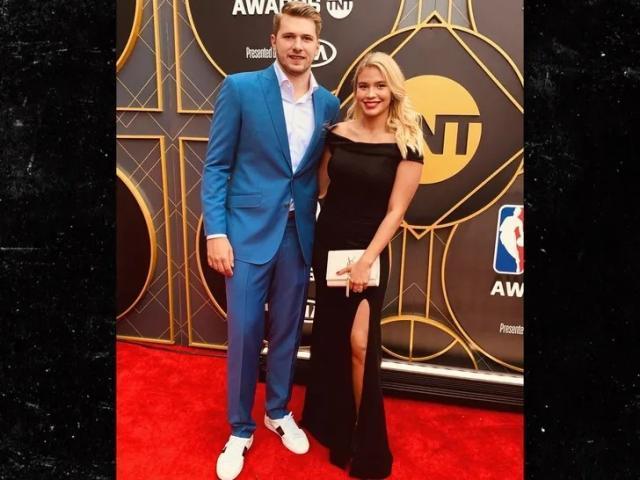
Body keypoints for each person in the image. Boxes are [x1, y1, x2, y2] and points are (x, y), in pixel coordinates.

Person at [200, 3, 340, 479]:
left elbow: (318, 172)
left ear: (318, 46)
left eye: (307, 38)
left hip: (298, 235)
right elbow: (217, 165)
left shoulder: (329, 104)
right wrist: (217, 232)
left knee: (287, 330)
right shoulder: (240, 88)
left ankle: (277, 411)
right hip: (244, 234)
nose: (298, 46)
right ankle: (240, 428)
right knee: (243, 333)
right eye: (290, 37)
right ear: (273, 40)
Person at [301, 52, 424, 479]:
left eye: (380, 85)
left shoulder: (408, 143)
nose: (371, 93)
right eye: (363, 85)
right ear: (354, 91)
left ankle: (363, 438)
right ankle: (329, 420)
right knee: (331, 336)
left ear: (393, 90)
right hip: (329, 244)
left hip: (369, 252)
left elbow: (396, 211)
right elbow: (320, 189)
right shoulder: (336, 134)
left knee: (359, 344)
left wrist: (367, 259)